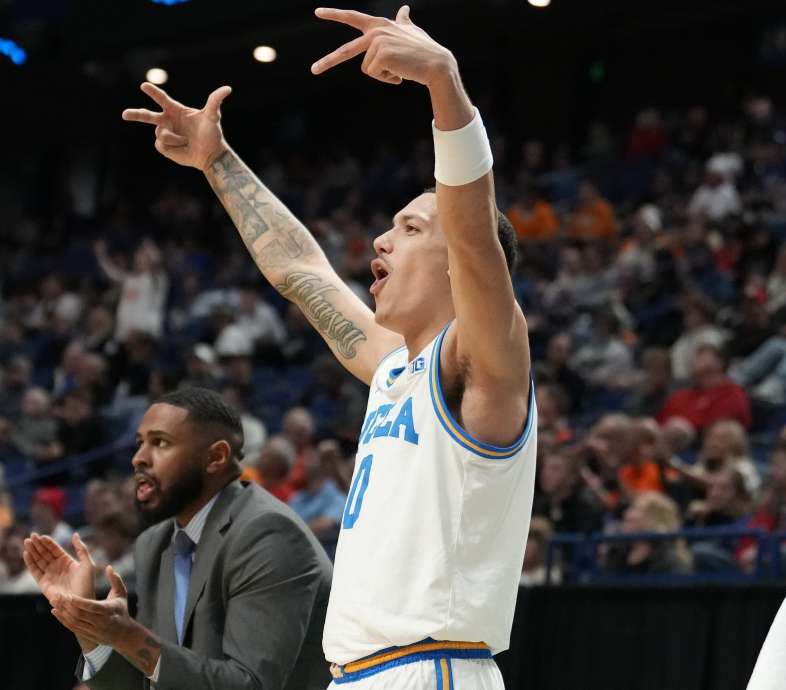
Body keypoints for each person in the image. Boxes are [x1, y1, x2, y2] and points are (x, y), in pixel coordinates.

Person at [122, 7, 536, 688]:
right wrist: (216, 162)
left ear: (459, 265)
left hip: (430, 668)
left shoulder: (483, 359)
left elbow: (473, 236)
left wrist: (443, 82)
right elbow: (299, 269)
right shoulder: (395, 366)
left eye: (411, 229)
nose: (382, 239)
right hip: (359, 671)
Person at [23, 387, 332, 689]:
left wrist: (126, 635)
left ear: (216, 457)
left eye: (160, 443)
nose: (138, 458)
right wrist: (88, 621)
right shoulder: (154, 544)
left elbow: (249, 684)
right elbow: (150, 679)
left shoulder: (268, 534)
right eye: (139, 443)